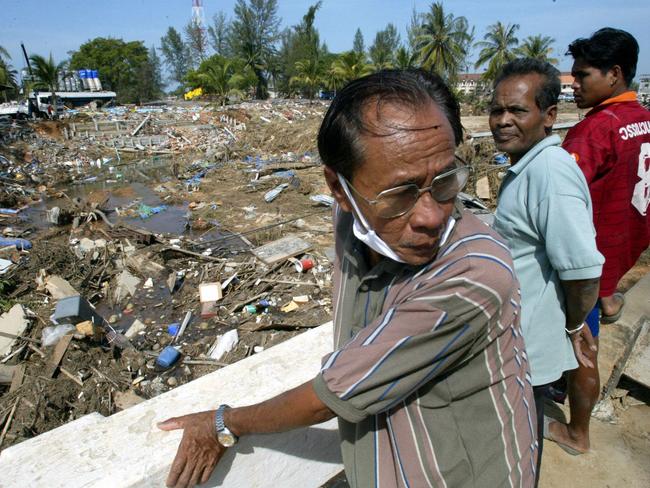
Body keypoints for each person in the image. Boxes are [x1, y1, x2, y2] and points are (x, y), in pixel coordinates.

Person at [158, 69, 538, 488]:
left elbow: (330, 397)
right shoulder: (349, 216)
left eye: (445, 181)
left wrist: (223, 422)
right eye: (401, 194)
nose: (431, 215)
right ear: (338, 189)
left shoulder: (473, 272)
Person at [490, 58, 604, 479]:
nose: (503, 121)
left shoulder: (550, 174)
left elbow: (582, 268)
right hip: (516, 337)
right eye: (497, 110)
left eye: (517, 111)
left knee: (518, 450)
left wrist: (574, 327)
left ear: (549, 116)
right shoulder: (527, 166)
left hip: (529, 347)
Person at [547, 27, 650, 455]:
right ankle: (607, 298)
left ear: (615, 74)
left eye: (582, 76)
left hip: (594, 254)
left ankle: (578, 432)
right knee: (604, 293)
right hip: (629, 235)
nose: (574, 86)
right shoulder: (642, 117)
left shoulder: (595, 131)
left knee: (581, 343)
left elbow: (558, 197)